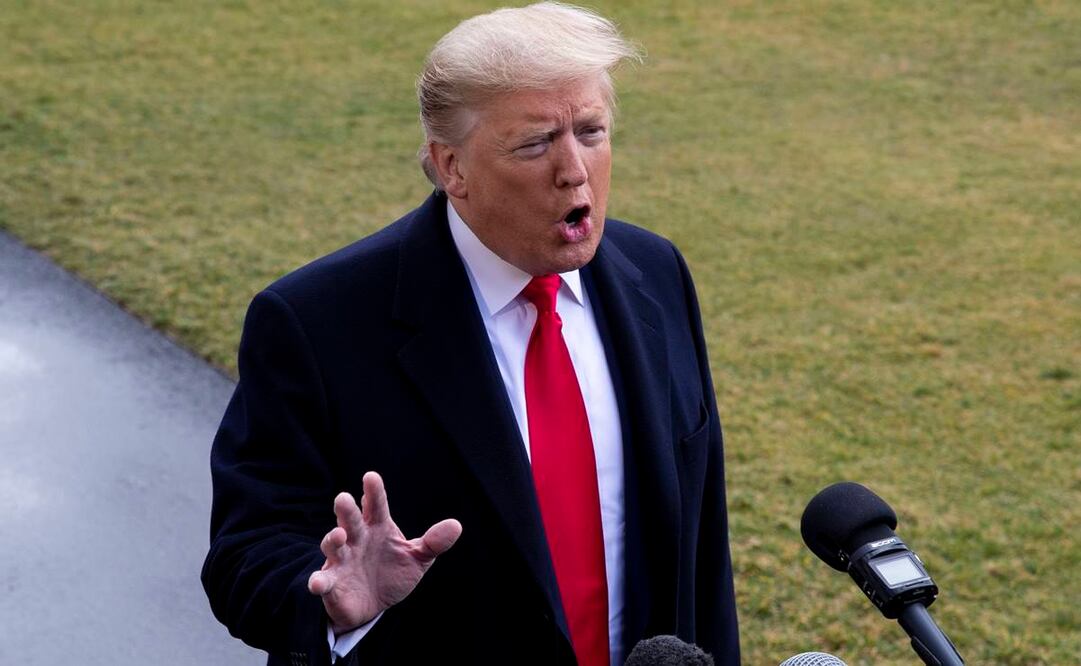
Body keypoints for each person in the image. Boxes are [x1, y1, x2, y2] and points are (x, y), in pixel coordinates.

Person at [202, 3, 739, 665]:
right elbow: (243, 554)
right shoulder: (316, 322)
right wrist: (327, 598)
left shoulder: (655, 274)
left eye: (591, 131)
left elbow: (701, 548)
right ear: (451, 167)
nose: (573, 170)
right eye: (535, 143)